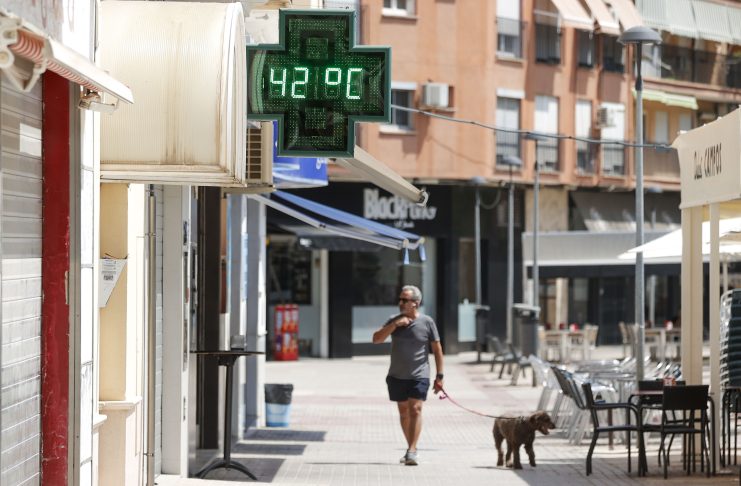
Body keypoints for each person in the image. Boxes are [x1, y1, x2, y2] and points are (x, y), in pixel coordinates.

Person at [372, 285, 444, 466]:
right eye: (400, 299)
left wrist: (440, 376)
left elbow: (437, 349)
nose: (401, 303)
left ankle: (411, 450)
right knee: (404, 413)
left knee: (415, 409)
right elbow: (376, 339)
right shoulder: (393, 320)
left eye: (405, 300)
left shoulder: (427, 322)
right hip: (397, 375)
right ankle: (411, 448)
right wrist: (395, 325)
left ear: (416, 303)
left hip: (420, 374)